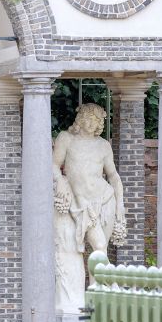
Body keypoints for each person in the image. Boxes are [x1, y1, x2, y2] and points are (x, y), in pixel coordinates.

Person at [53, 102, 126, 310]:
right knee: (96, 246)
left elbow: (113, 176)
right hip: (79, 201)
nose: (91, 123)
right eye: (88, 118)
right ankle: (100, 291)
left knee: (100, 247)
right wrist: (61, 181)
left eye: (96, 120)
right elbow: (53, 165)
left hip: (104, 199)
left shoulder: (103, 145)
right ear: (80, 118)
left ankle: (97, 295)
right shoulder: (66, 139)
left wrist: (120, 205)